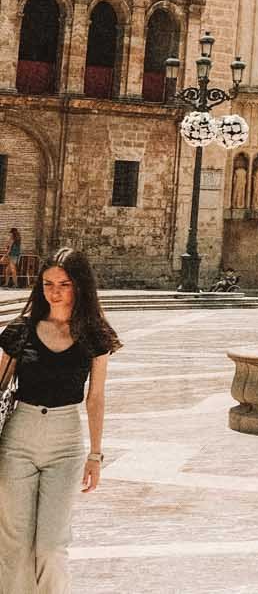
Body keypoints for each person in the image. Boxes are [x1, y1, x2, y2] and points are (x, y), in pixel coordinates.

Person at [0, 247, 119, 593]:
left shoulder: (95, 335)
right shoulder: (20, 330)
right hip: (18, 437)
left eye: (63, 284)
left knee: (51, 547)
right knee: (14, 545)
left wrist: (95, 454)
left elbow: (95, 398)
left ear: (80, 286)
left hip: (66, 442)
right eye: (47, 283)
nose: (54, 292)